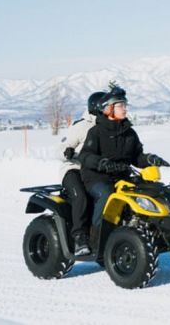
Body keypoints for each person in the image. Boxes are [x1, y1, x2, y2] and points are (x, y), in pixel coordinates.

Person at [79, 86, 170, 252]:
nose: (125, 108)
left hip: (122, 175)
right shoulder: (96, 132)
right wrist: (102, 163)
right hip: (96, 177)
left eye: (125, 105)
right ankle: (96, 238)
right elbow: (85, 156)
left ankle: (148, 230)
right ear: (108, 109)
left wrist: (149, 159)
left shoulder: (129, 133)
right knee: (106, 193)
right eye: (121, 105)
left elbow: (137, 156)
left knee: (147, 191)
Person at [58, 91, 105, 256]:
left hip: (98, 172)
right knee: (81, 196)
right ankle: (80, 238)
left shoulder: (109, 127)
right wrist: (68, 152)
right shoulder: (81, 126)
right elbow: (60, 148)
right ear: (98, 108)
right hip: (74, 169)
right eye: (107, 107)